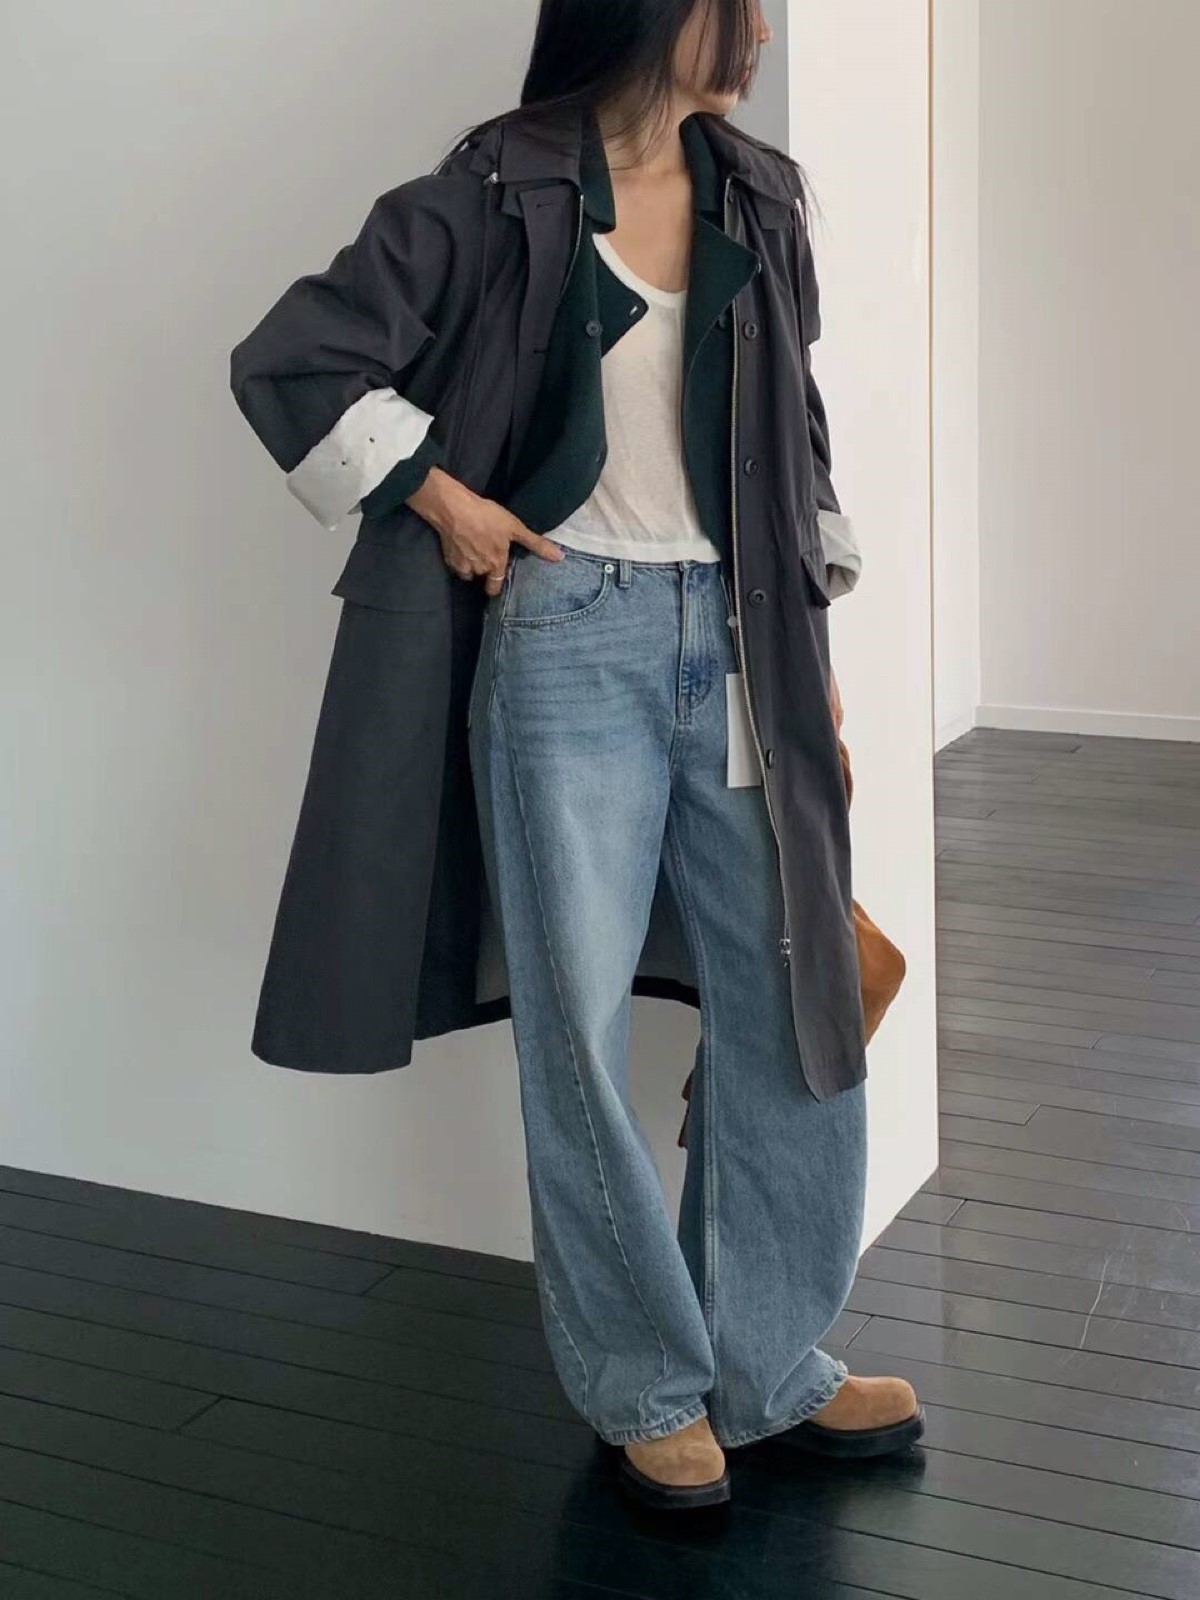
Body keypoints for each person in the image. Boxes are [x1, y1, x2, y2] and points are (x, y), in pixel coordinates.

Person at [230, 0, 923, 1515]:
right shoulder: (496, 185)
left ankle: (769, 1363)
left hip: (740, 640)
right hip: (567, 639)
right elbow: (295, 359)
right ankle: (644, 1385)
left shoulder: (762, 192)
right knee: (578, 1026)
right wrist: (441, 497)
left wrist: (816, 664)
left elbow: (792, 431)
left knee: (792, 992)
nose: (757, 27)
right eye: (732, 1)